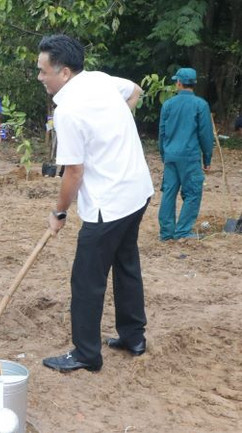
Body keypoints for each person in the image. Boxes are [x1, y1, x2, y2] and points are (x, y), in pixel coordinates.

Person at [36, 34, 153, 373]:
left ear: (65, 72)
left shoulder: (68, 111)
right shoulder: (100, 80)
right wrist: (113, 128)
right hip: (137, 191)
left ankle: (87, 353)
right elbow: (135, 90)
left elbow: (73, 172)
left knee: (87, 279)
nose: (40, 77)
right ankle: (133, 336)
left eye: (44, 71)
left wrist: (59, 212)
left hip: (109, 203)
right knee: (127, 262)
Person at [157, 68, 215, 241]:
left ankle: (166, 233)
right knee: (193, 193)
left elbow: (162, 133)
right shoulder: (201, 105)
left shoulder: (168, 104)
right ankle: (182, 231)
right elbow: (206, 134)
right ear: (193, 84)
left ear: (179, 83)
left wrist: (163, 154)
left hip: (171, 155)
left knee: (169, 192)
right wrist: (207, 158)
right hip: (189, 156)